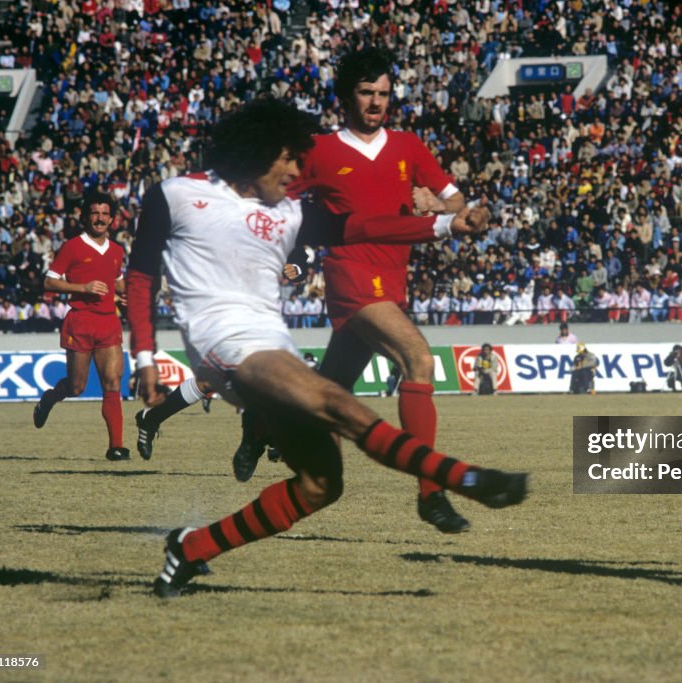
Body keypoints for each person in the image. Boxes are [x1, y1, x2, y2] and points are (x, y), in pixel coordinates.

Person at [125, 98, 527, 598]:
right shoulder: (177, 194)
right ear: (261, 152)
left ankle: (191, 547)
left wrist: (445, 225)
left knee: (320, 485)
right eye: (291, 158)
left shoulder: (290, 209)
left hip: (272, 343)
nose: (298, 170)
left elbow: (362, 228)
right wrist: (144, 354)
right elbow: (140, 275)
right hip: (220, 342)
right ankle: (465, 480)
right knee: (337, 403)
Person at [285, 48, 474, 534]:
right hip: (350, 276)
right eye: (367, 93)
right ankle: (431, 494)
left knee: (330, 395)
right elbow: (277, 202)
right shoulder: (319, 149)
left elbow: (459, 204)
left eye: (384, 94)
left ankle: (264, 426)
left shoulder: (409, 145)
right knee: (419, 359)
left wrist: (442, 201)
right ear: (347, 96)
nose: (375, 102)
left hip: (392, 283)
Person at [32, 191, 129, 461]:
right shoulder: (72, 246)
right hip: (80, 321)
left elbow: (117, 281)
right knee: (77, 387)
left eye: (105, 214)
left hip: (108, 321)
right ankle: (50, 398)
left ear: (112, 219)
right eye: (95, 213)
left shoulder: (117, 250)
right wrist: (82, 287)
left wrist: (125, 293)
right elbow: (49, 282)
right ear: (85, 216)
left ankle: (116, 447)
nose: (100, 218)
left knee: (112, 382)